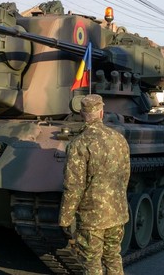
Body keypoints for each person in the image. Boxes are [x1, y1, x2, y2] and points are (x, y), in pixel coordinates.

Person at [59, 94, 131, 274]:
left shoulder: (79, 143)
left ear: (82, 114)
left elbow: (73, 186)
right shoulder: (119, 139)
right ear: (101, 112)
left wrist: (65, 218)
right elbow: (125, 176)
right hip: (117, 212)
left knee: (92, 263)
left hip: (92, 217)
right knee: (113, 257)